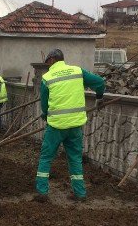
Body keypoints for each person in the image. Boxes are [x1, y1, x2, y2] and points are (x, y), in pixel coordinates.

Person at [35, 49, 105, 202]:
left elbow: (44, 105)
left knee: (46, 158)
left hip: (56, 126)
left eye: (47, 62)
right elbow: (100, 83)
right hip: (75, 125)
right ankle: (80, 194)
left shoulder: (47, 78)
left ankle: (42, 192)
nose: (47, 65)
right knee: (75, 159)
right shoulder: (77, 71)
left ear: (53, 59)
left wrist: (46, 115)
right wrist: (99, 98)